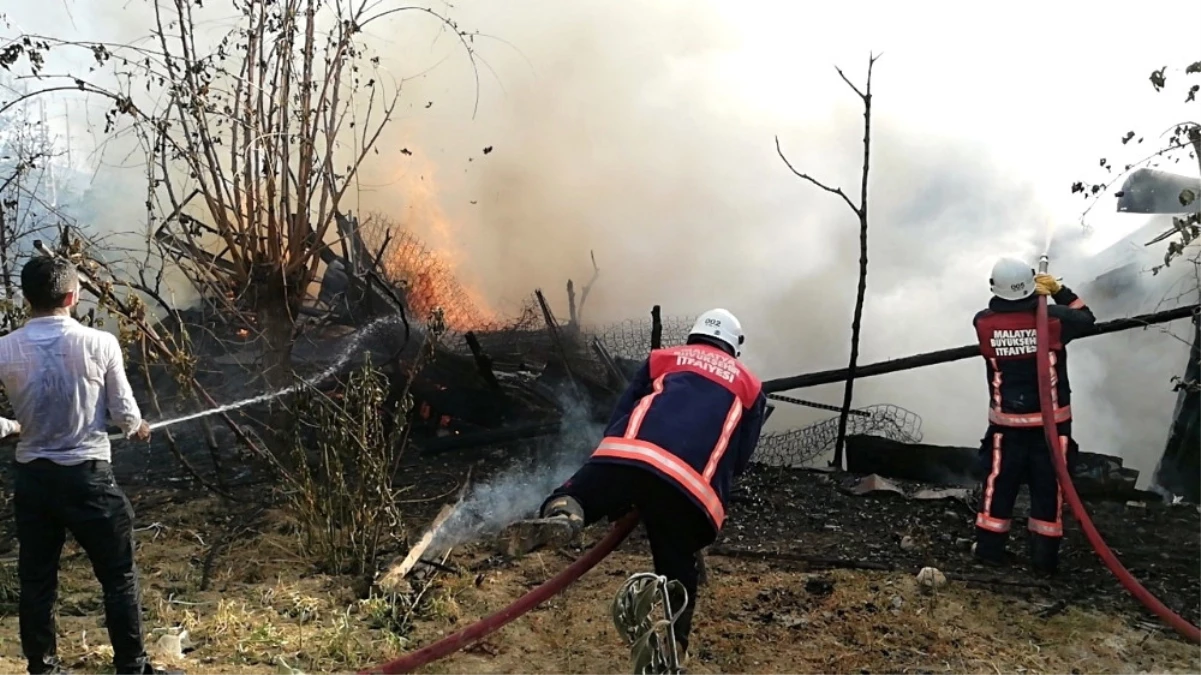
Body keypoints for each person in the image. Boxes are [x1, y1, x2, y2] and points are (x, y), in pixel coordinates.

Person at [502, 308, 768, 662]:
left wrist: (607, 466)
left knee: (576, 494)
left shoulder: (663, 358)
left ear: (694, 335)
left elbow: (623, 410)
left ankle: (565, 517)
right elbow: (740, 457)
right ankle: (674, 646)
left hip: (631, 454)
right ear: (734, 345)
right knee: (677, 564)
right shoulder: (750, 386)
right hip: (691, 485)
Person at [0, 256, 180, 675]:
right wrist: (136, 427)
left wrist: (11, 425)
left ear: (26, 298)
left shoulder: (5, 347)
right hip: (89, 480)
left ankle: (42, 668)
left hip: (34, 480)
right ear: (71, 296)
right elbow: (125, 413)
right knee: (118, 576)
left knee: (37, 580)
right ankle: (132, 667)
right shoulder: (100, 343)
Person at [971, 257, 1096, 576]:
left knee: (999, 486)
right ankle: (1044, 559)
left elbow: (1004, 317)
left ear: (993, 288)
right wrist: (1058, 290)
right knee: (1048, 489)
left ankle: (989, 551)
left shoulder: (983, 323)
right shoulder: (1053, 322)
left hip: (1006, 427)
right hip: (1051, 429)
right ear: (1031, 285)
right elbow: (1087, 317)